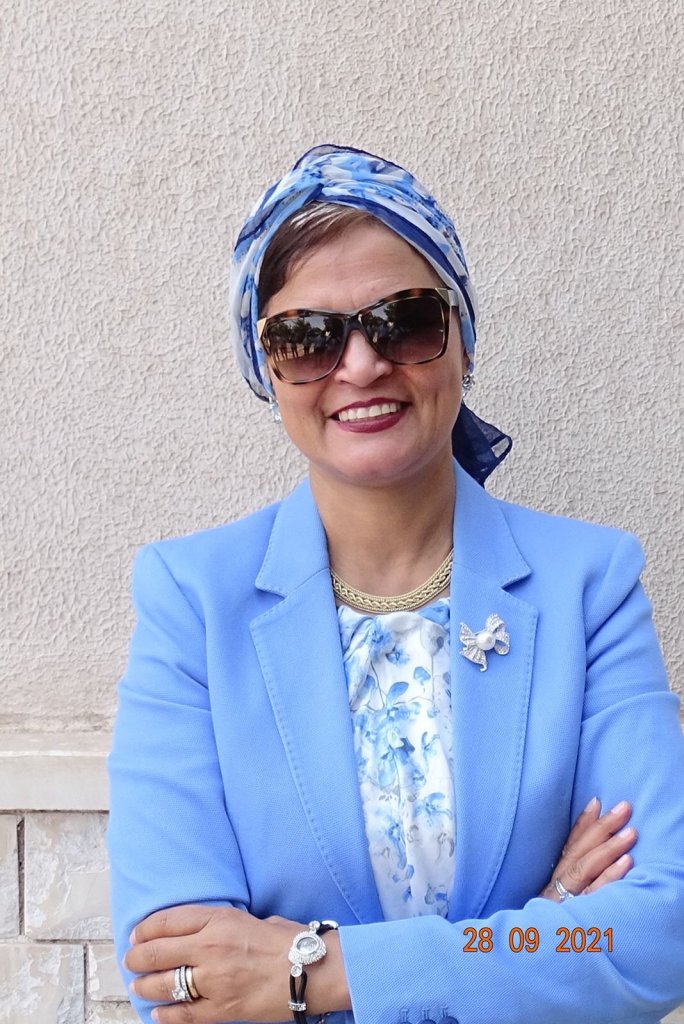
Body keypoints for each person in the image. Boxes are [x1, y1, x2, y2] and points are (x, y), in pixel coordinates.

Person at [107, 145, 684, 1024]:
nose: (362, 365)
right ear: (267, 369)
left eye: (403, 322)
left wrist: (314, 970)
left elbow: (663, 928)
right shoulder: (192, 601)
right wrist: (547, 923)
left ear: (462, 339)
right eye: (308, 337)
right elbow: (178, 978)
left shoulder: (587, 586)